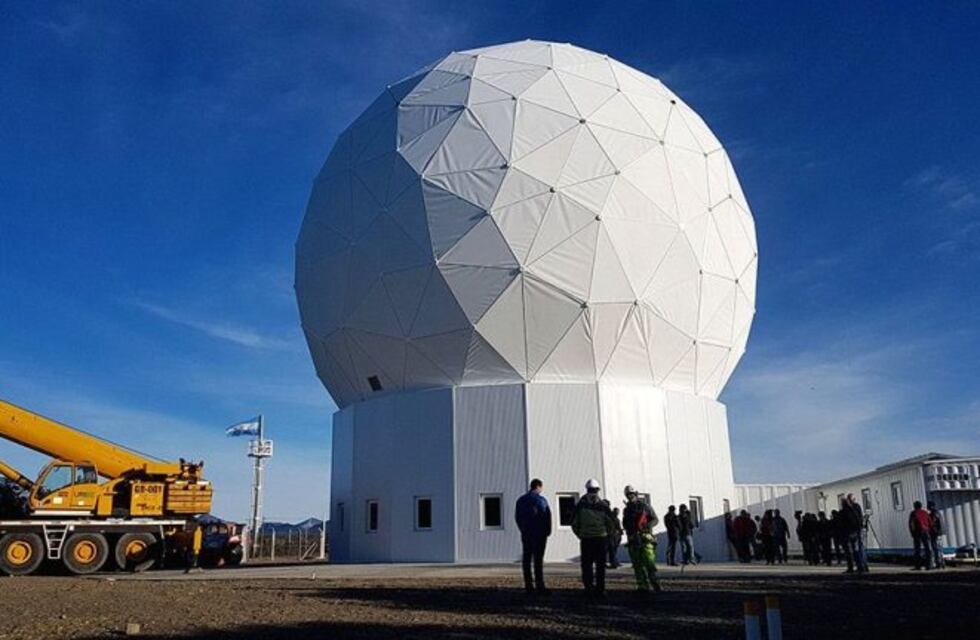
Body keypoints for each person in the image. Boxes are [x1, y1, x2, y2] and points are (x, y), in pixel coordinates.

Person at [571, 479, 616, 597]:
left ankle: (588, 588)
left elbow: (574, 523)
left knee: (586, 565)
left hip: (586, 539)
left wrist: (580, 534)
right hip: (601, 539)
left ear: (587, 489)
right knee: (600, 566)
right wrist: (608, 534)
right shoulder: (603, 505)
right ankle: (600, 589)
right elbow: (611, 523)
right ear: (598, 490)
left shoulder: (580, 505)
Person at [514, 478, 552, 595]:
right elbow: (546, 516)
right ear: (539, 487)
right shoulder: (541, 500)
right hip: (539, 534)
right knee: (538, 560)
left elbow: (517, 517)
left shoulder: (521, 500)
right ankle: (540, 586)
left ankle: (528, 585)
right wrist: (547, 531)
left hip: (526, 533)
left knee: (526, 560)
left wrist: (522, 529)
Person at [622, 485, 662, 594]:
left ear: (636, 494)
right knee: (637, 564)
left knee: (649, 562)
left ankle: (655, 582)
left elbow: (655, 519)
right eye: (628, 495)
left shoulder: (645, 507)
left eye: (632, 494)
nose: (630, 496)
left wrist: (647, 526)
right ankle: (642, 586)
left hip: (645, 538)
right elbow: (625, 523)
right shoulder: (626, 510)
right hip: (633, 539)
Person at [841, 495, 869, 573]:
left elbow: (843, 524)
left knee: (851, 551)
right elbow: (859, 518)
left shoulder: (844, 511)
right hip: (858, 531)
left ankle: (854, 567)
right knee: (859, 549)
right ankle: (863, 566)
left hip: (849, 533)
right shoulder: (856, 508)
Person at [909, 500, 933, 570]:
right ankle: (929, 565)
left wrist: (912, 533)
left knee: (917, 549)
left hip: (917, 532)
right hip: (926, 531)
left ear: (915, 506)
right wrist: (929, 530)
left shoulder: (913, 513)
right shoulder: (925, 512)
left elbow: (911, 524)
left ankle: (918, 566)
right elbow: (930, 522)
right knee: (927, 549)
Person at [928, 502, 945, 569]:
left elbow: (932, 524)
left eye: (928, 506)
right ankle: (942, 562)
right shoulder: (939, 513)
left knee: (935, 548)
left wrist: (930, 531)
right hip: (939, 533)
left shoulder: (933, 514)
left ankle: (938, 563)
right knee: (939, 548)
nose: (927, 507)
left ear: (931, 506)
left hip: (935, 533)